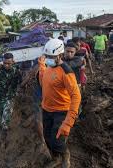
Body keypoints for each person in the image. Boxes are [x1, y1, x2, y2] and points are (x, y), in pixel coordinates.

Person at [38, 39, 81, 168]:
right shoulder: (48, 67)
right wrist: (41, 67)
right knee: (47, 138)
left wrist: (68, 122)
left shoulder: (66, 72)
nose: (48, 59)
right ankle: (55, 158)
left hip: (61, 111)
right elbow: (43, 84)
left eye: (52, 57)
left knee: (58, 140)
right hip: (47, 110)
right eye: (47, 57)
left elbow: (76, 96)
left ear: (60, 55)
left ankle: (65, 155)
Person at [0, 53, 22, 131]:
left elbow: (20, 83)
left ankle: (4, 136)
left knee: (5, 122)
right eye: (5, 63)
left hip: (9, 96)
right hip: (0, 94)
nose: (6, 65)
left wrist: (17, 92)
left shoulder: (16, 70)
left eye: (8, 63)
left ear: (13, 62)